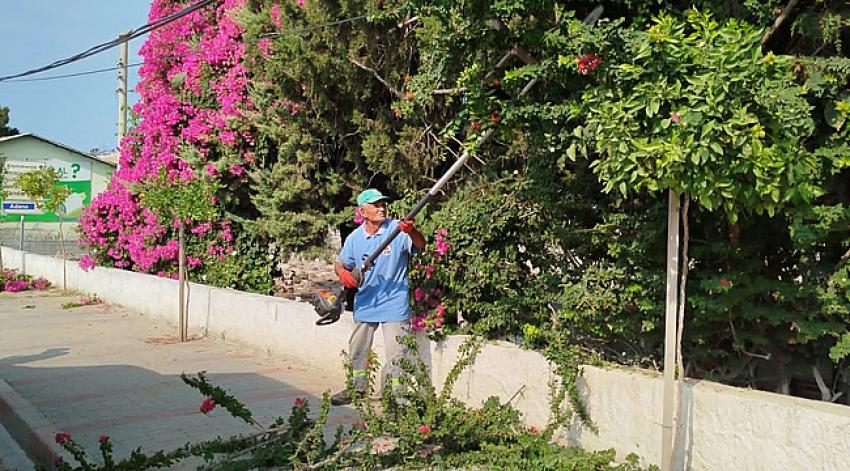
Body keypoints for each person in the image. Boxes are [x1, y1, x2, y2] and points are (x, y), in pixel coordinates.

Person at [331, 188, 426, 406]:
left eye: (383, 204)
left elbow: (421, 245)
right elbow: (340, 263)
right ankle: (356, 389)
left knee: (397, 353)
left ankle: (395, 396)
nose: (382, 208)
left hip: (394, 303)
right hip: (367, 302)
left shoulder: (397, 230)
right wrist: (343, 273)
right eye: (375, 205)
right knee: (357, 349)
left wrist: (411, 232)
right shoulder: (355, 238)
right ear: (363, 211)